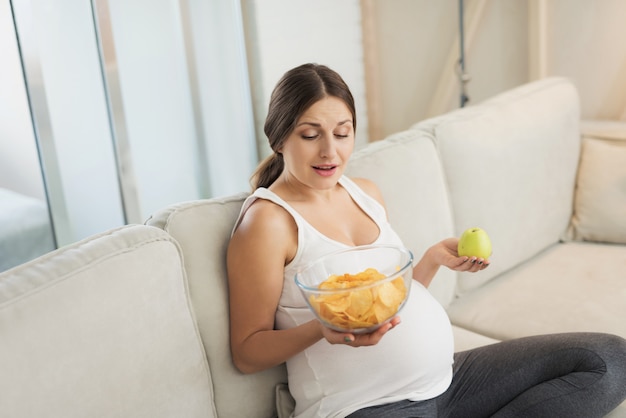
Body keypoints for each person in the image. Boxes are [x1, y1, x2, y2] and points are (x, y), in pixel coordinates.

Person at [227, 63, 626, 418]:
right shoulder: (268, 222)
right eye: (310, 135)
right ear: (279, 138)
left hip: (450, 382)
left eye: (342, 133)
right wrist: (323, 327)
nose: (330, 151)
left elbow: (387, 301)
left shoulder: (365, 193)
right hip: (366, 405)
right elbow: (247, 352)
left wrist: (432, 260)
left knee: (610, 361)